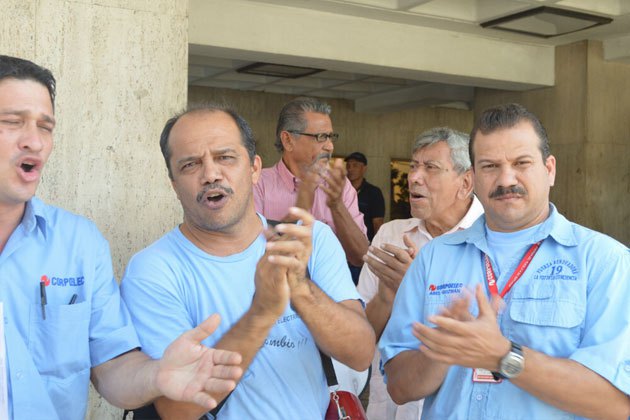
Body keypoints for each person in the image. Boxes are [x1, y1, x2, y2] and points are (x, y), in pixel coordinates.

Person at [0, 56, 243, 420]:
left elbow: (113, 368)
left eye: (45, 127)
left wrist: (158, 376)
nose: (34, 141)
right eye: (12, 122)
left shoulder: (79, 243)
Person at [120, 104, 375, 419]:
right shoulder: (153, 270)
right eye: (190, 165)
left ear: (255, 168)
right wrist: (261, 312)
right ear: (173, 183)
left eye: (226, 157)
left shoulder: (313, 241)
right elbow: (178, 409)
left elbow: (361, 353)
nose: (211, 174)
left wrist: (301, 289)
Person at [380, 103, 630, 419]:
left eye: (521, 163)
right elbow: (399, 388)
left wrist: (503, 356)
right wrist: (441, 351)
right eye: (490, 166)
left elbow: (616, 403)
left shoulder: (605, 262)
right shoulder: (434, 257)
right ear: (472, 178)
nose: (505, 178)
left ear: (549, 169)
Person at [357, 127, 483, 420]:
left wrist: (416, 289)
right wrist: (389, 297)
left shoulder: (494, 236)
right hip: (392, 406)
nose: (414, 177)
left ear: (466, 182)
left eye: (431, 168)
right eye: (413, 166)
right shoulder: (391, 235)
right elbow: (361, 339)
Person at [253, 97, 369, 267]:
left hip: (330, 292)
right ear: (288, 140)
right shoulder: (258, 185)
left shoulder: (340, 186)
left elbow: (361, 257)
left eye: (331, 137)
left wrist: (337, 206)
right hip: (275, 288)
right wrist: (301, 205)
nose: (330, 147)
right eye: (321, 137)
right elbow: (250, 253)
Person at [345, 151, 385, 242]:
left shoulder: (374, 192)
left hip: (364, 243)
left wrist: (375, 246)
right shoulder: (341, 190)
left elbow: (377, 222)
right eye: (348, 165)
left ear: (364, 168)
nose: (350, 169)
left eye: (355, 165)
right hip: (341, 241)